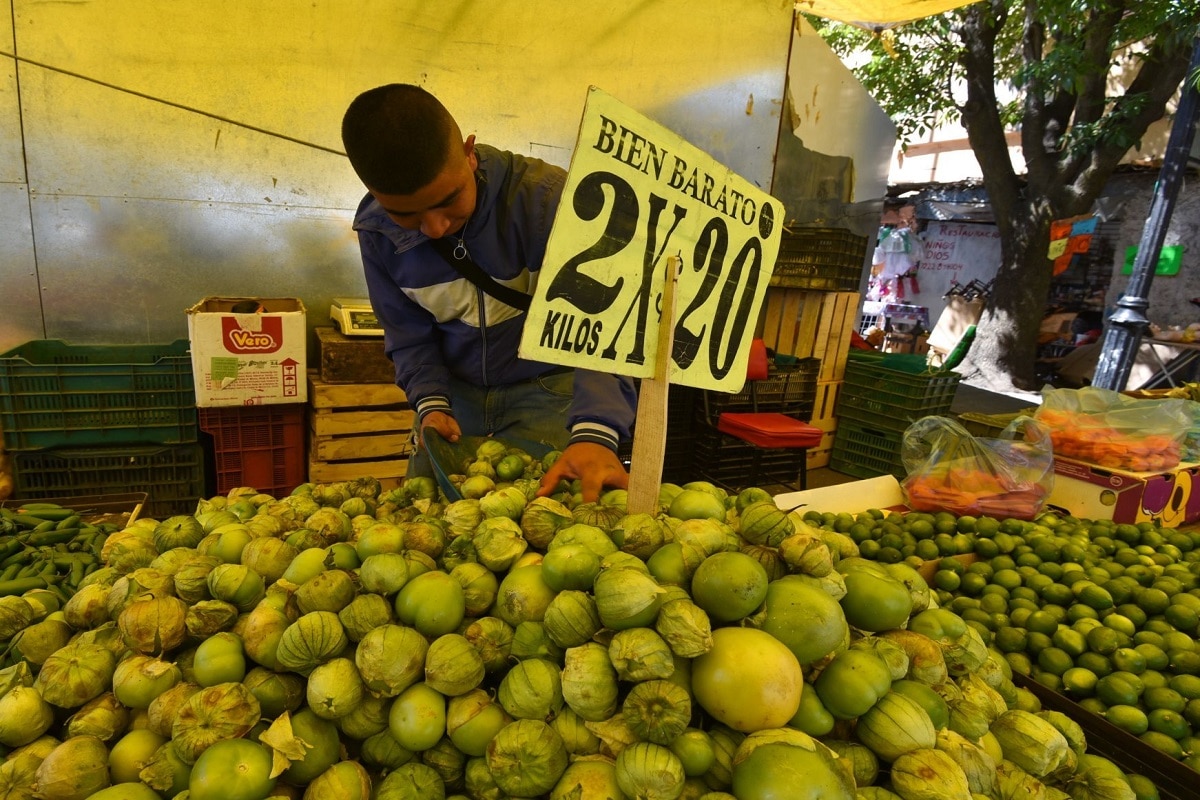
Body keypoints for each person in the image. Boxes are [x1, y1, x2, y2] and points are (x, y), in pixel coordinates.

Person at [341, 84, 638, 502]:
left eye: (448, 201)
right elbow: (407, 334)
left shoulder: (549, 202)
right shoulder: (377, 232)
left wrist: (597, 429)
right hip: (454, 398)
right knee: (428, 514)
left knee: (551, 520)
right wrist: (430, 401)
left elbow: (605, 321)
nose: (435, 228)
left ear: (469, 151)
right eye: (406, 215)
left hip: (548, 392)